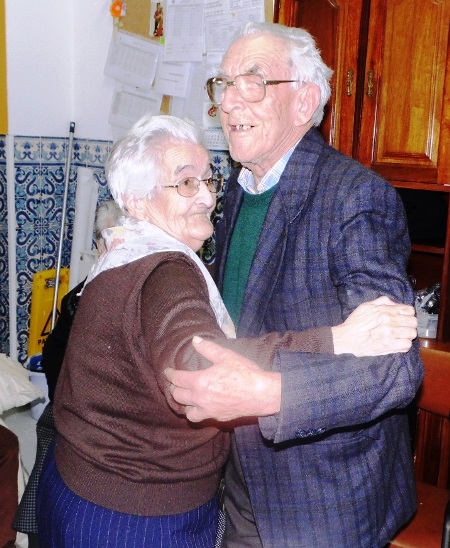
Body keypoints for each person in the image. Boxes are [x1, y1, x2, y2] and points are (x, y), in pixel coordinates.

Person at [34, 114, 417, 547]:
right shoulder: (166, 272)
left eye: (207, 179)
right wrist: (335, 339)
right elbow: (204, 367)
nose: (206, 196)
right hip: (136, 518)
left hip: (78, 486)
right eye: (185, 183)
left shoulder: (125, 247)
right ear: (136, 200)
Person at [165, 22, 424, 548]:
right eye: (224, 83)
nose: (229, 101)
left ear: (304, 101)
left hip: (321, 494)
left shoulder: (354, 197)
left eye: (254, 81)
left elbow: (396, 370)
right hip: (242, 470)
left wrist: (269, 392)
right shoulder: (239, 189)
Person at [13, 200, 122, 548]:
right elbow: (57, 351)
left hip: (96, 423)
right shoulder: (87, 288)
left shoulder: (123, 289)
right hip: (66, 406)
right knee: (45, 474)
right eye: (103, 241)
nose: (104, 249)